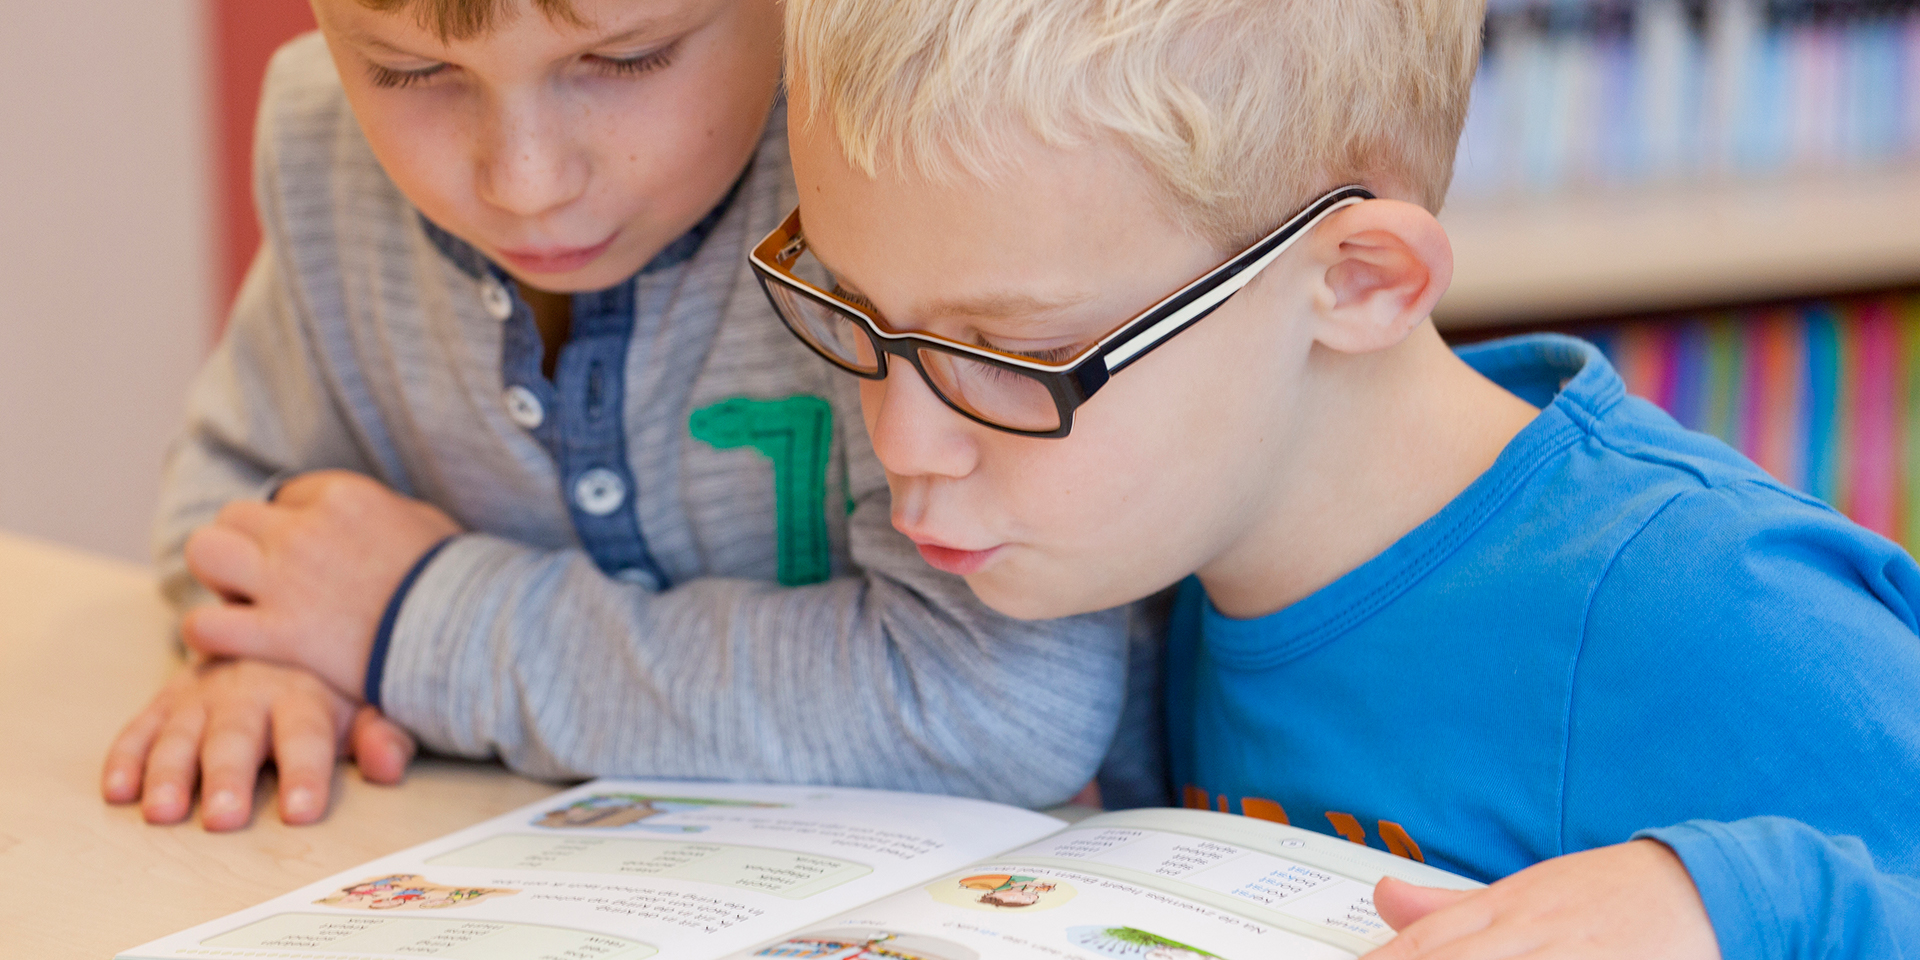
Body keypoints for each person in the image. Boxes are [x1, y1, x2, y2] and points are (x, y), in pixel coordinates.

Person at [762, 0, 1920, 955]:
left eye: (1008, 355)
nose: (901, 440)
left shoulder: (1705, 601)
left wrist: (1730, 906)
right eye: (851, 310)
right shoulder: (1163, 542)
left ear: (1362, 280)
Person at [100, 0, 1148, 833]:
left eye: (630, 56)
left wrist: (418, 630)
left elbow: (998, 701)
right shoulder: (321, 146)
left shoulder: (901, 181)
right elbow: (232, 495)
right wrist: (278, 647)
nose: (526, 182)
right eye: (411, 71)